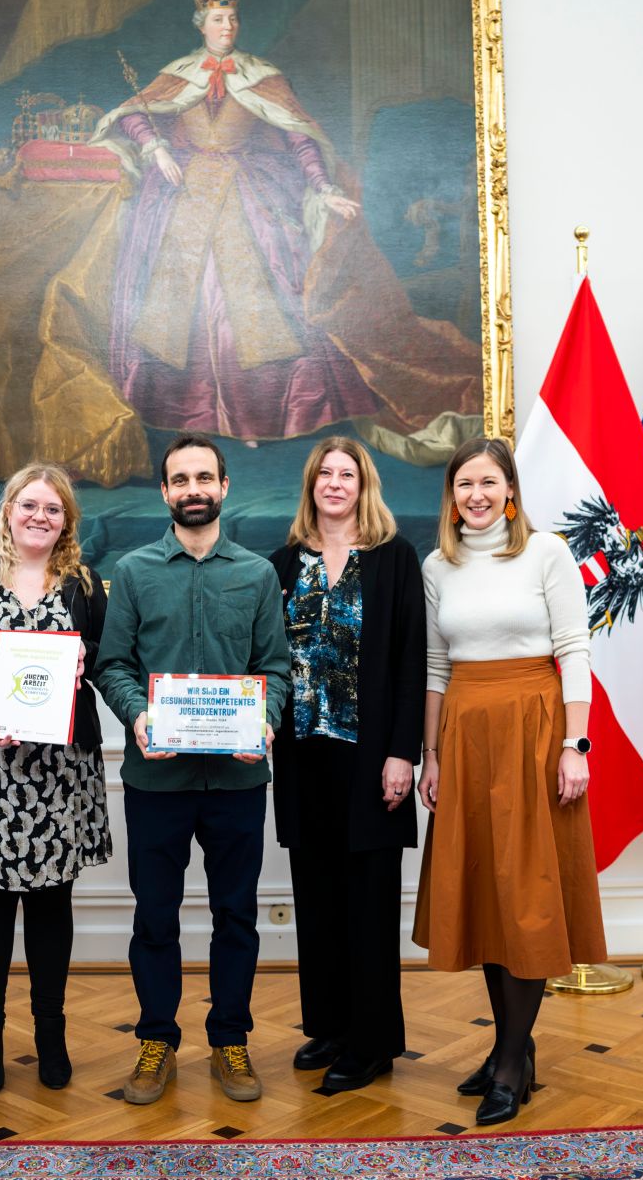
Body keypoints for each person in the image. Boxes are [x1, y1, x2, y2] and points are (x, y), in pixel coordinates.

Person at [413, 436, 607, 1126]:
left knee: (527, 896)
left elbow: (573, 648)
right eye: (464, 484)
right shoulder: (438, 564)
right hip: (466, 733)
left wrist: (573, 746)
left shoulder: (546, 553)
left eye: (488, 482)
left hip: (532, 727)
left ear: (510, 489)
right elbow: (436, 668)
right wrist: (430, 756)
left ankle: (509, 1058)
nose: (476, 494)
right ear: (452, 495)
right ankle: (513, 1053)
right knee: (491, 898)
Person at [94, 434, 291, 1105]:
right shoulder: (136, 569)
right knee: (156, 916)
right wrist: (137, 716)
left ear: (225, 486)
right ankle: (156, 1041)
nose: (193, 489)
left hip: (237, 781)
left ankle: (230, 1041)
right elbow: (112, 664)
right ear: (165, 493)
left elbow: (275, 669)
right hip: (158, 780)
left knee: (237, 915)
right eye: (180, 479)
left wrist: (264, 721)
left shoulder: (258, 575)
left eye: (204, 476)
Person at [90, 0, 373, 442]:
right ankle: (182, 411)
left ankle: (256, 415)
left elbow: (298, 136)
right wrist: (156, 149)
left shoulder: (262, 76)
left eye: (233, 18)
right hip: (185, 196)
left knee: (255, 295)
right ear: (202, 25)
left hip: (246, 193)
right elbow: (134, 114)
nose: (228, 25)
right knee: (179, 299)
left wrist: (322, 187)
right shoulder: (179, 72)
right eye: (219, 19)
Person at [0, 463, 112, 1095]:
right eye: (29, 504)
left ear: (67, 522)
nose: (40, 516)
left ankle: (50, 1034)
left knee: (52, 904)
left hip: (59, 775)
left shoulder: (84, 584)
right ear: (7, 510)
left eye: (53, 509)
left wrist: (87, 662)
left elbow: (106, 661)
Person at [268, 436, 424, 1091]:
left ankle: (373, 1043)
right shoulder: (281, 563)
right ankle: (328, 1027)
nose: (335, 483)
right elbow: (266, 658)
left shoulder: (393, 559)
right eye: (325, 473)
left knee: (368, 903)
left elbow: (412, 661)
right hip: (303, 758)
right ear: (311, 485)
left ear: (364, 486)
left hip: (370, 761)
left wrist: (401, 755)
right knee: (318, 898)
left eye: (347, 474)